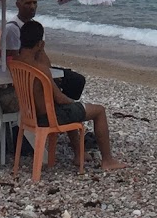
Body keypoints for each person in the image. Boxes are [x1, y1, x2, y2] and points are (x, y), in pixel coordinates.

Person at [10, 20, 122, 171]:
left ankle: (79, 154)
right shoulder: (41, 69)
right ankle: (108, 160)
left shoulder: (15, 63)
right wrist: (75, 103)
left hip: (29, 115)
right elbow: (60, 99)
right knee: (99, 110)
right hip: (48, 118)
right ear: (39, 44)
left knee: (70, 109)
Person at [0, 0, 86, 99]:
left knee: (76, 80)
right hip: (24, 71)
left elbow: (41, 53)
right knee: (74, 81)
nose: (32, 6)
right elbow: (12, 59)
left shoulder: (35, 26)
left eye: (34, 3)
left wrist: (50, 72)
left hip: (38, 67)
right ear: (18, 4)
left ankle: (60, 104)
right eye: (28, 3)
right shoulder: (12, 29)